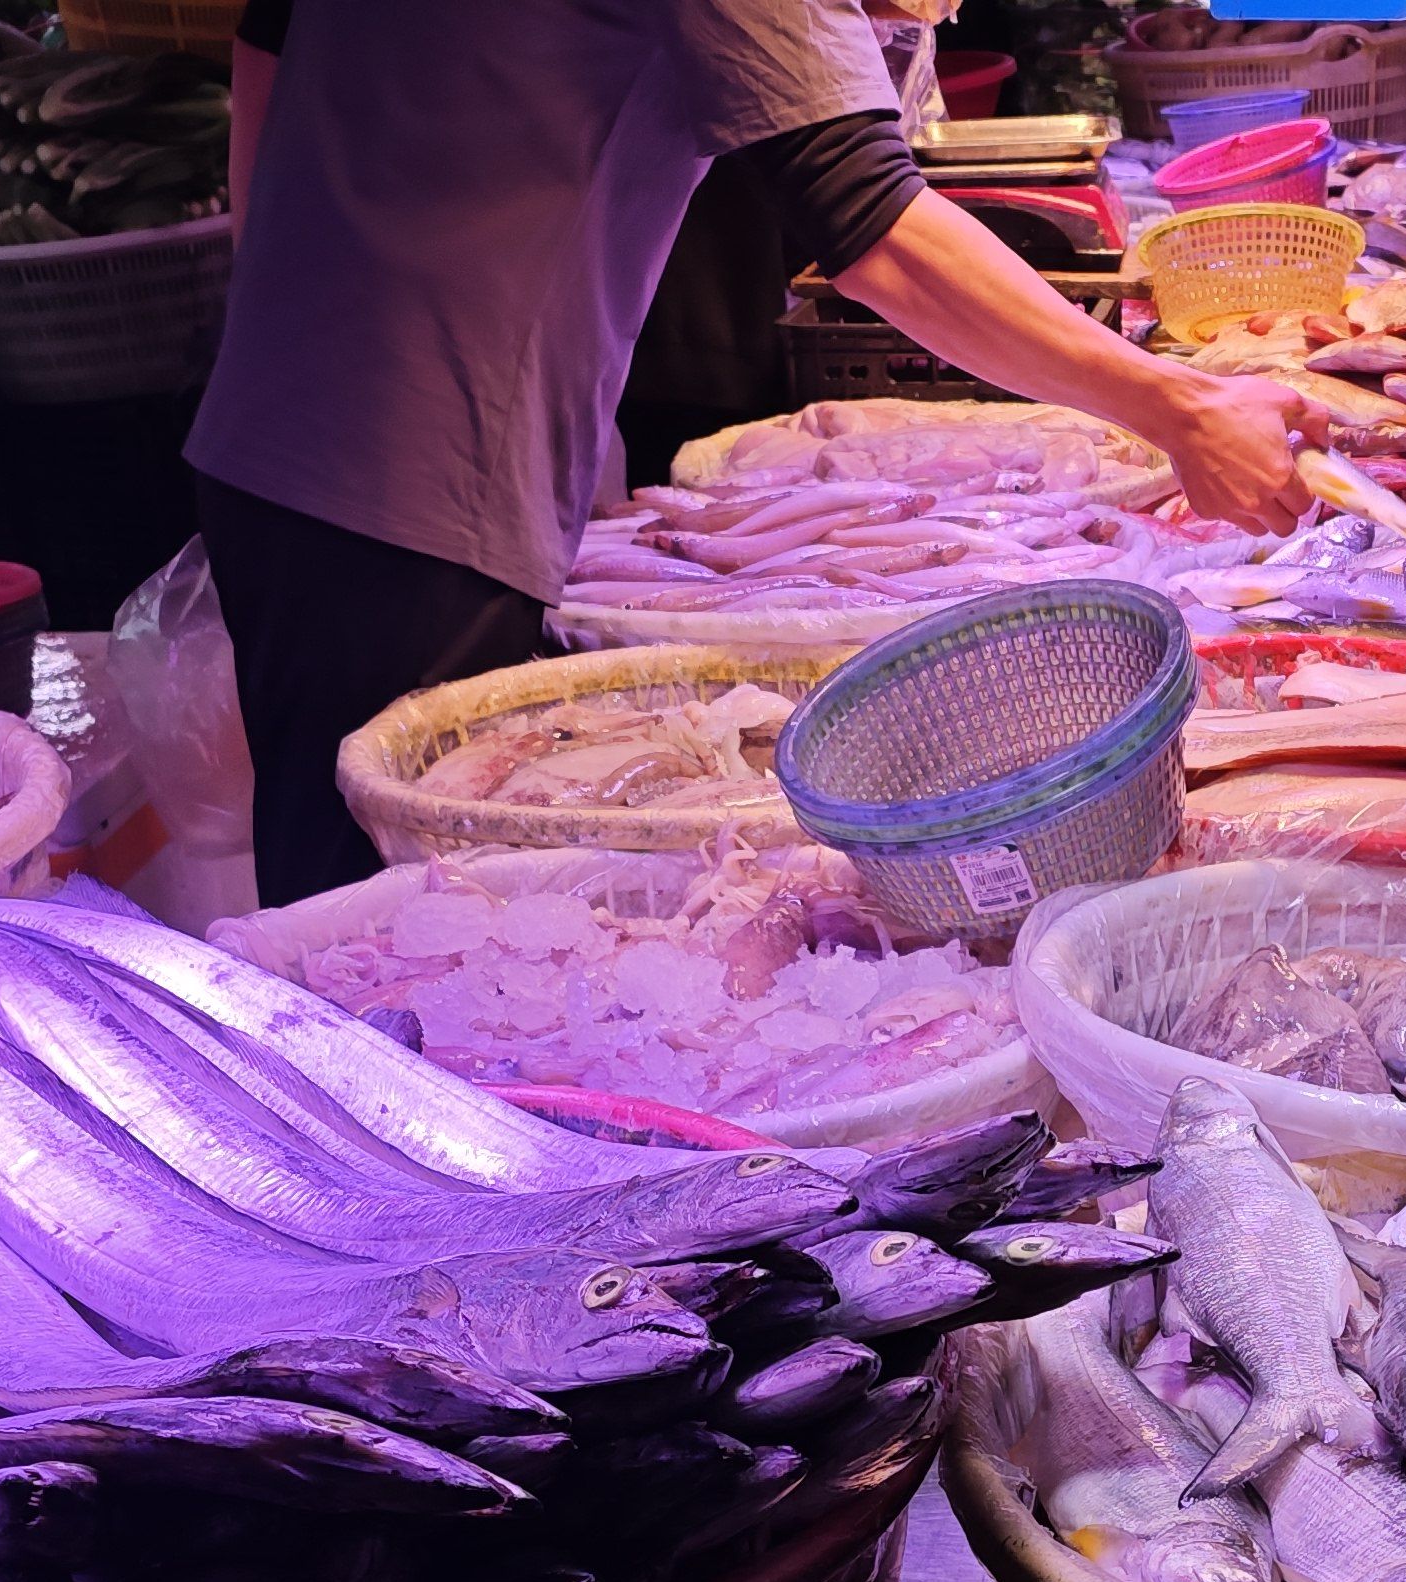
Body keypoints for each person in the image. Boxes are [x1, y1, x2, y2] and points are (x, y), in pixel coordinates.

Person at [189, 0, 1324, 907]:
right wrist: (1179, 407)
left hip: (290, 423)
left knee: (336, 884)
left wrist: (310, 322)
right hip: (414, 477)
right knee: (398, 928)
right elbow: (870, 225)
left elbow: (268, 40)